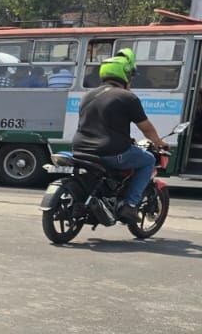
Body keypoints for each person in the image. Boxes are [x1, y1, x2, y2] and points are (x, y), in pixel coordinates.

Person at [71, 47, 169, 223]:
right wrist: (159, 142)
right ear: (125, 75)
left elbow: (100, 124)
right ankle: (130, 205)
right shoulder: (127, 97)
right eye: (131, 76)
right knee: (148, 160)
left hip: (79, 149)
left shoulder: (88, 96)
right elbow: (146, 128)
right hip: (111, 152)